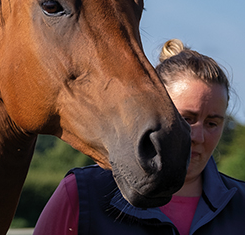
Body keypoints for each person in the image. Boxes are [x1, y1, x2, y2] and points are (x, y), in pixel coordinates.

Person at [33, 39, 245, 235]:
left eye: (212, 123)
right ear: (154, 110)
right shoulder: (82, 193)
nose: (198, 136)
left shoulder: (241, 204)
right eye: (186, 119)